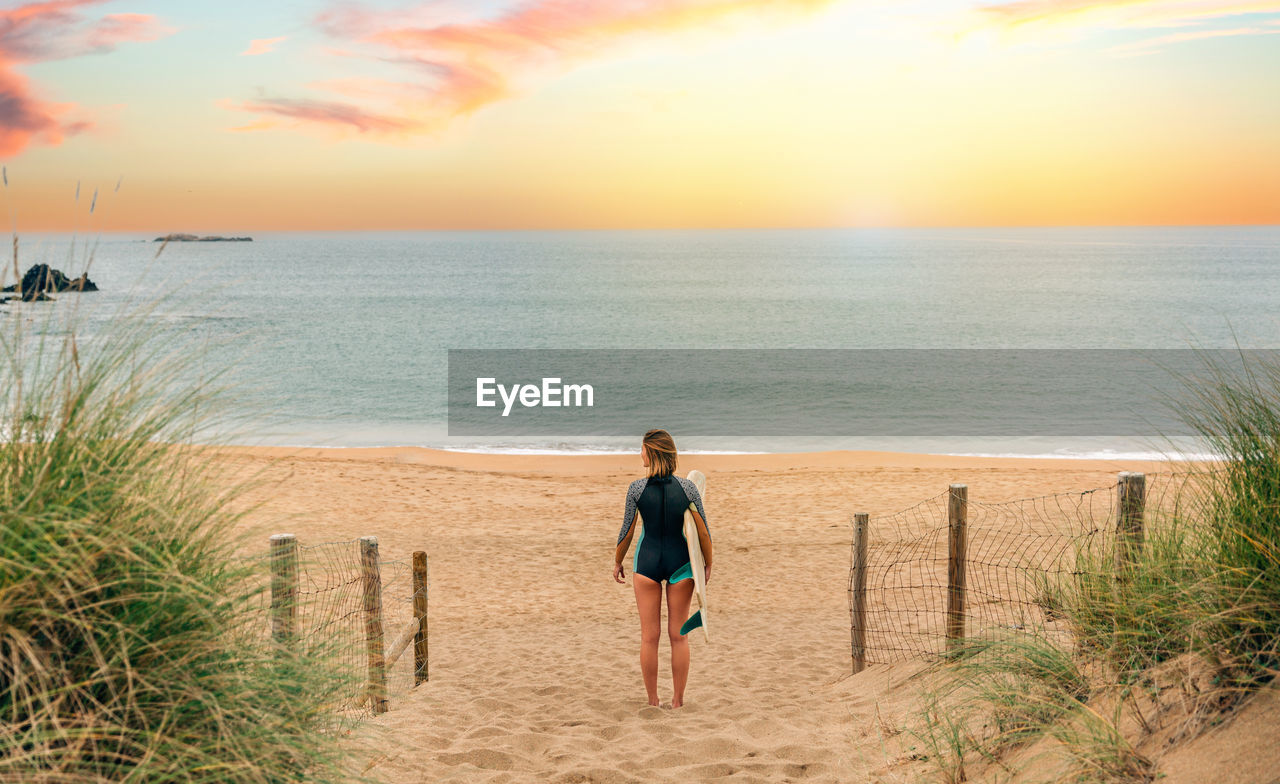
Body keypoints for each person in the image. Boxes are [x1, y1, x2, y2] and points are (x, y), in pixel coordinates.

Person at [612, 429, 712, 708]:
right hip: (681, 564)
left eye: (642, 449)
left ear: (652, 452)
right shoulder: (688, 488)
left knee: (649, 637)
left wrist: (618, 560)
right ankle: (678, 701)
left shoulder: (636, 489)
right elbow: (703, 532)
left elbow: (627, 531)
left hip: (647, 564)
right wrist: (708, 562)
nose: (640, 454)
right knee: (678, 637)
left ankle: (653, 701)